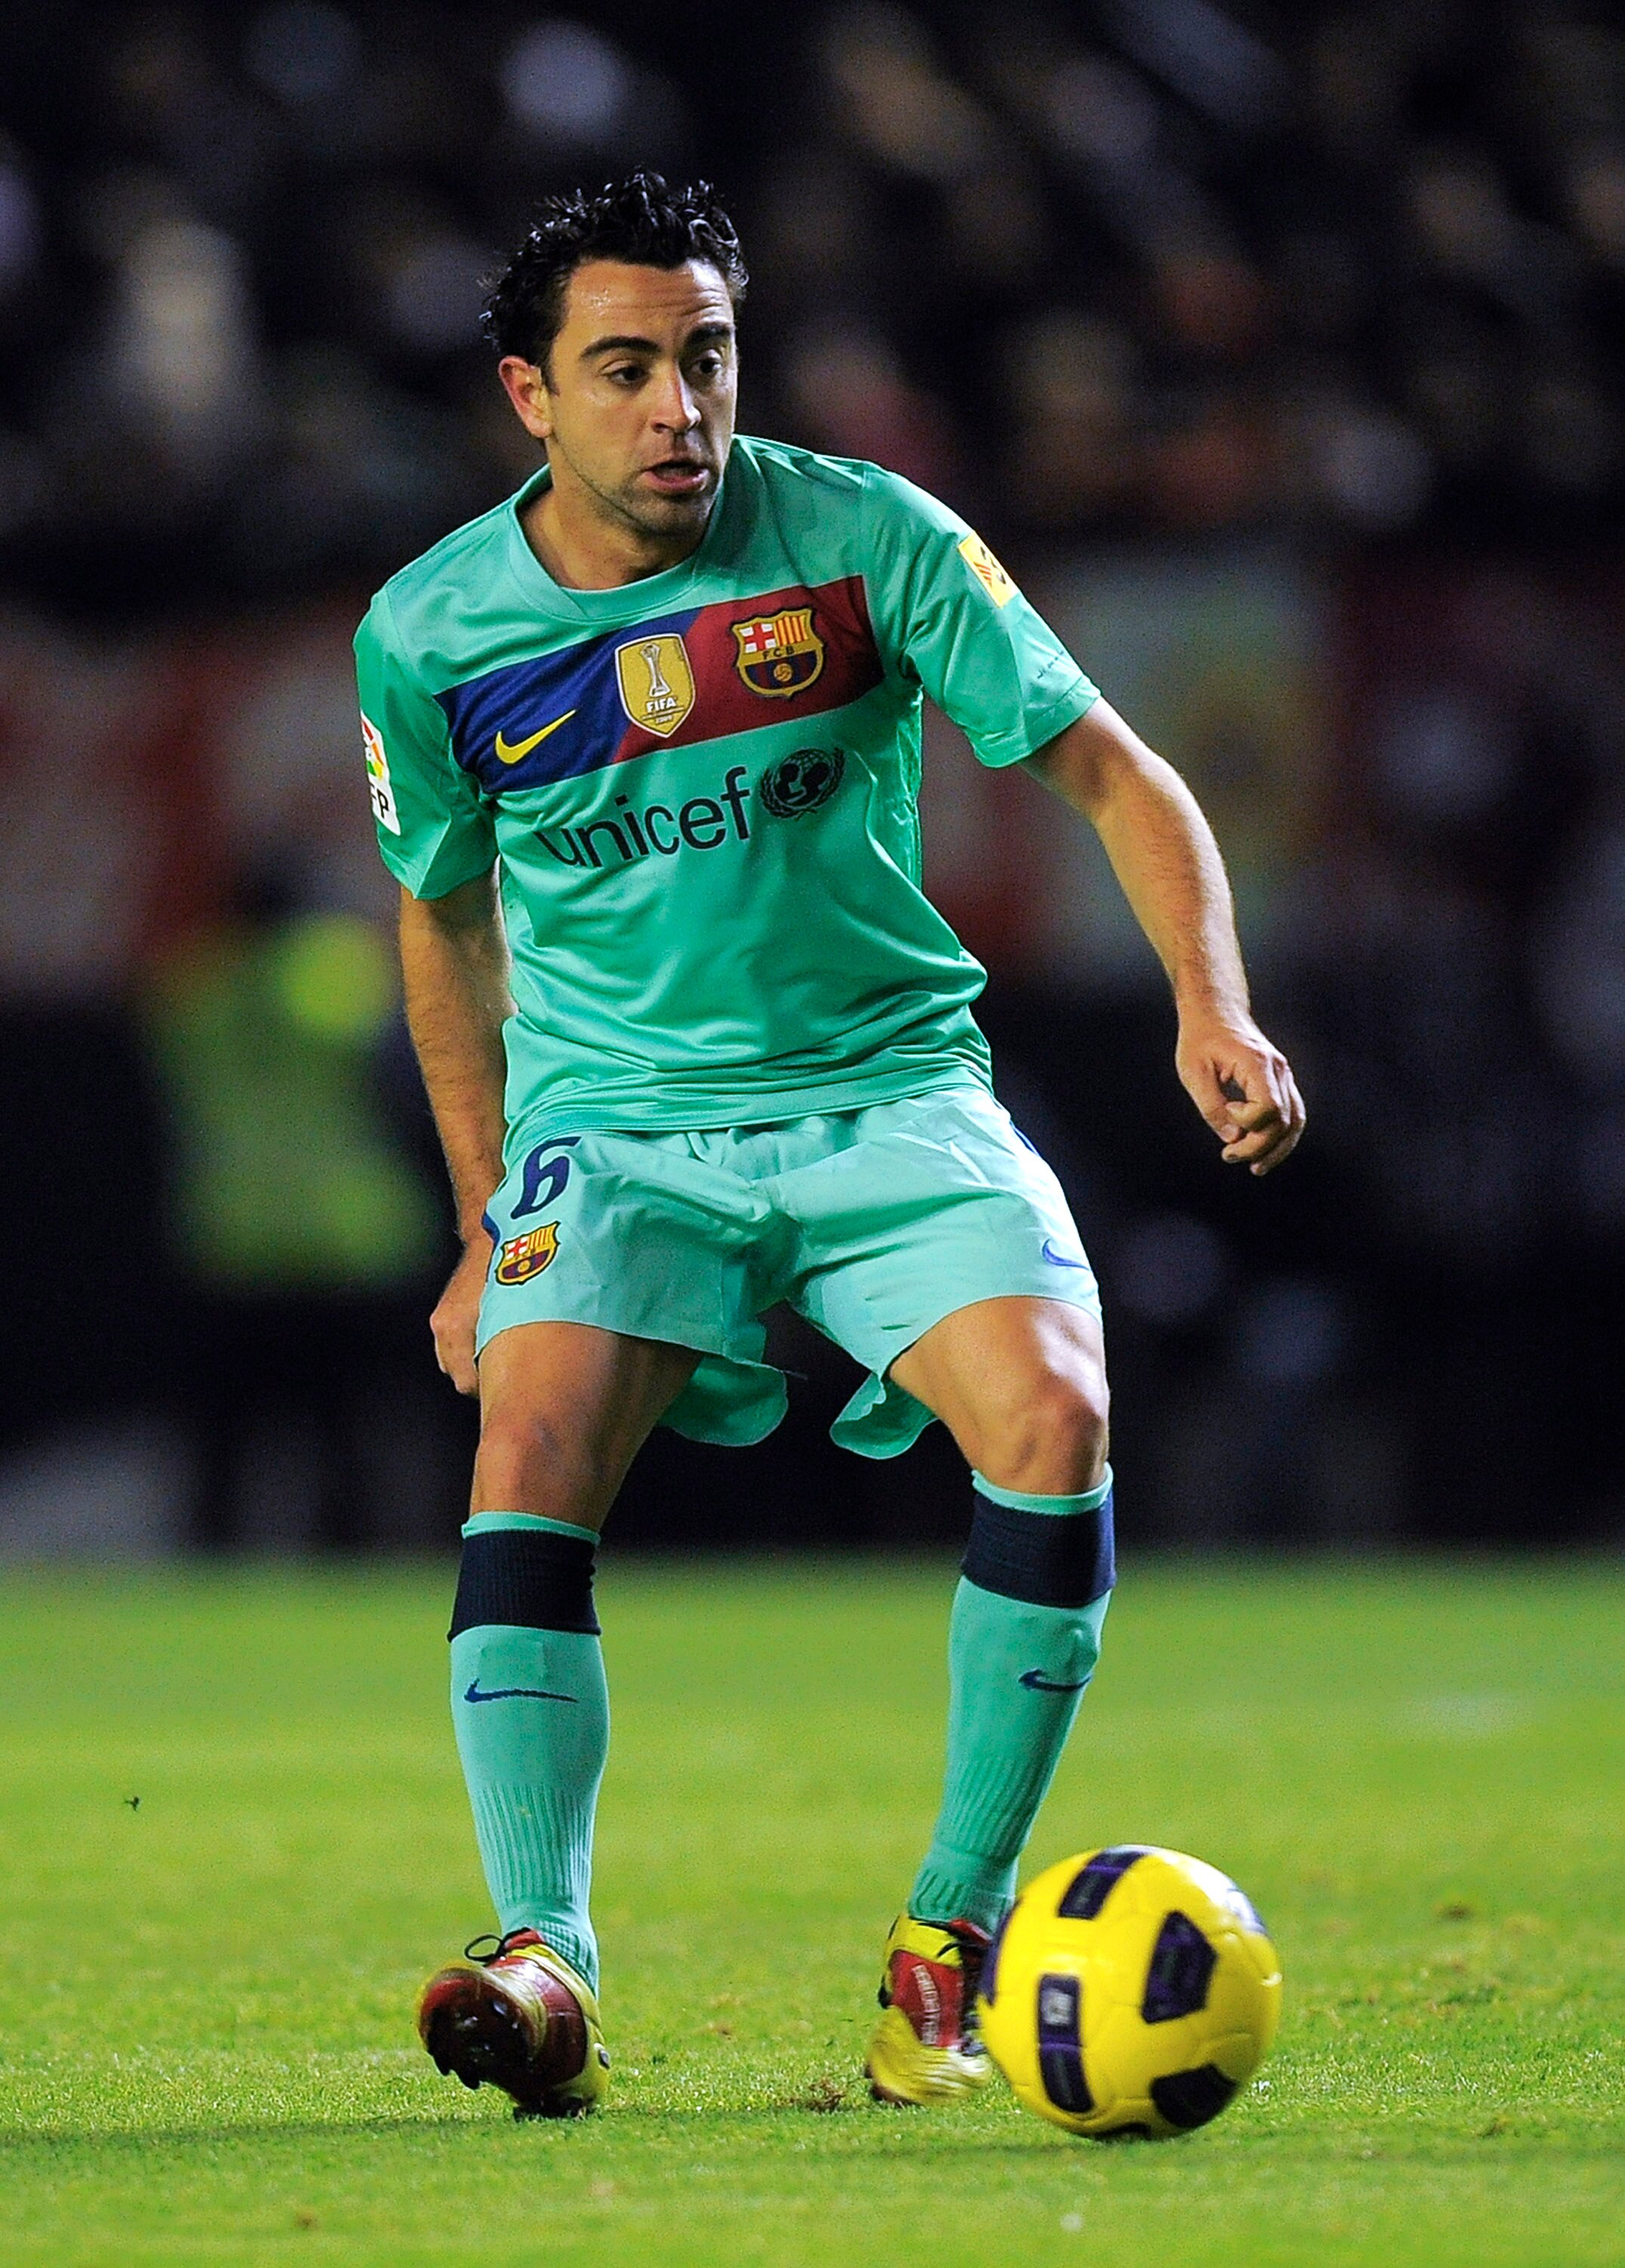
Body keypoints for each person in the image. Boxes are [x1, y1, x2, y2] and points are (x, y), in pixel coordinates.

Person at [353, 172, 1304, 2121]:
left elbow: (1114, 772)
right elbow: (440, 916)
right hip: (614, 1125)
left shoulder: (867, 539)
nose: (677, 409)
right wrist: (479, 1215)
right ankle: (545, 1954)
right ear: (531, 397)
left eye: (705, 358)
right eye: (624, 371)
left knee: (1056, 1418)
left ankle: (946, 1942)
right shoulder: (428, 635)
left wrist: (1214, 1003)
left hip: (889, 1092)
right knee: (524, 1440)